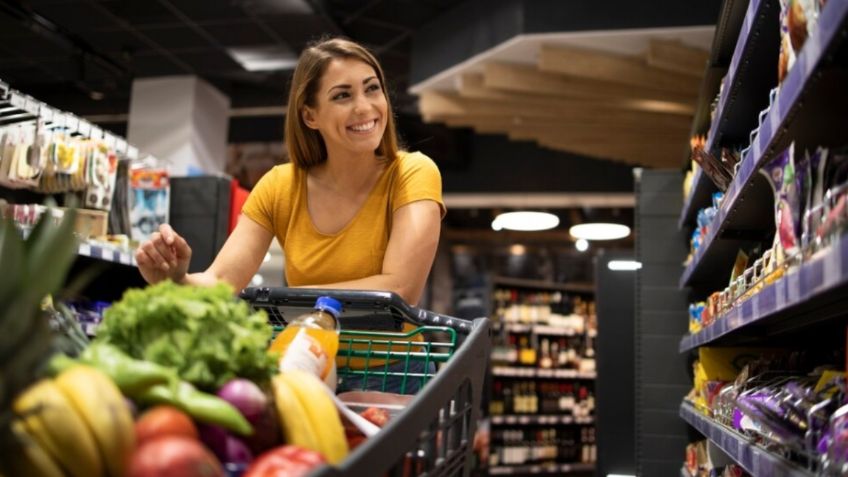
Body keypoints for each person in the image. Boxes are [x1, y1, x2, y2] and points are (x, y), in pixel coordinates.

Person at [135, 37, 445, 393]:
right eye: (342, 95)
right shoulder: (280, 186)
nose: (364, 107)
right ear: (310, 115)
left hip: (395, 373)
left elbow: (400, 289)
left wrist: (282, 301)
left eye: (372, 89)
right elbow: (221, 280)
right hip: (305, 366)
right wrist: (176, 279)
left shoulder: (413, 172)